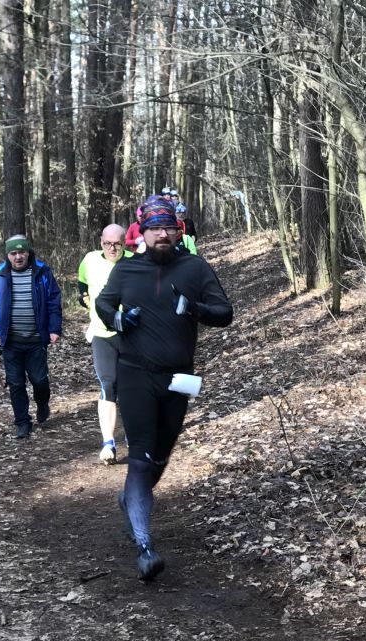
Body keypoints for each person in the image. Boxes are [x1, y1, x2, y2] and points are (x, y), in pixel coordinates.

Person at [95, 196, 233, 581]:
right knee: (141, 456)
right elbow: (104, 305)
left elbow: (225, 313)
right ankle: (144, 546)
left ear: (178, 231)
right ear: (142, 233)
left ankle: (131, 499)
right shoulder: (127, 269)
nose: (162, 234)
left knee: (159, 458)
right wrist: (119, 319)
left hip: (178, 378)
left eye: (169, 227)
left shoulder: (195, 268)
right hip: (135, 374)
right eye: (155, 228)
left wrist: (195, 309)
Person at [0, 235, 62, 439]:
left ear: (28, 252)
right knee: (16, 384)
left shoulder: (42, 271)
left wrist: (54, 328)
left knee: (39, 380)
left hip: (36, 339)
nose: (18, 257)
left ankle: (42, 403)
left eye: (22, 252)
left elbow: (53, 301)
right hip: (10, 341)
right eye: (13, 253)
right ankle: (22, 422)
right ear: (8, 255)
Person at [77, 224, 132, 463]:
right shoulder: (89, 260)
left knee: (131, 387)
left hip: (131, 334)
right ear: (101, 242)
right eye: (107, 243)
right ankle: (108, 444)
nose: (112, 248)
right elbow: (82, 284)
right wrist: (86, 300)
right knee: (108, 384)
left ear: (124, 243)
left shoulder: (135, 262)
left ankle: (133, 434)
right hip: (102, 334)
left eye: (117, 244)